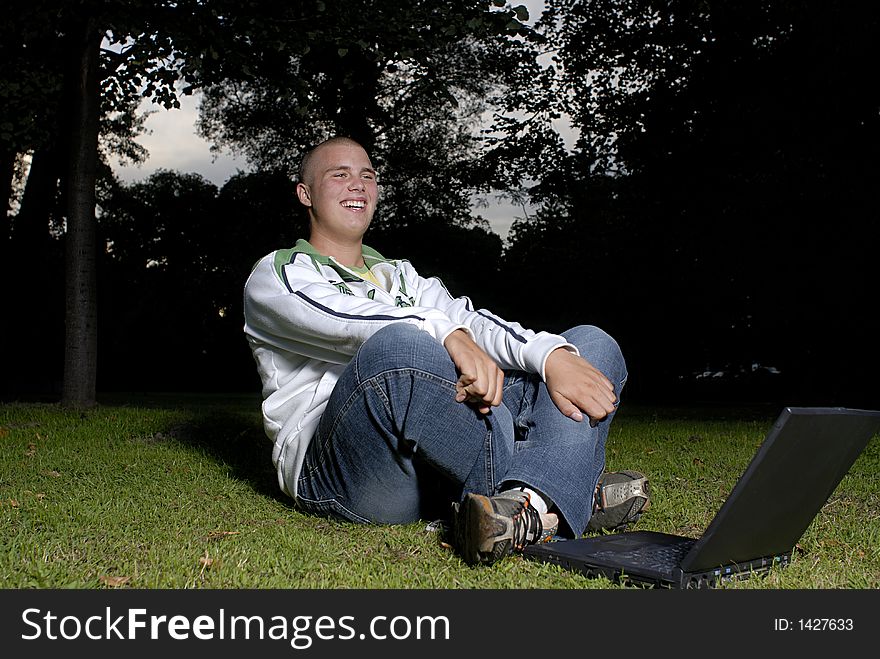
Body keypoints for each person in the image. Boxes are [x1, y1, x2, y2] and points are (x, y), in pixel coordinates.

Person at [243, 136, 650, 566]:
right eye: (339, 175)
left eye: (367, 175)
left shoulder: (401, 275)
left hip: (436, 459)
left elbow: (474, 321)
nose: (357, 185)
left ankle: (528, 506)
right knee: (400, 348)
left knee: (586, 345)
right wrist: (450, 336)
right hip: (345, 468)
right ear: (306, 193)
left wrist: (550, 356)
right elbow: (351, 322)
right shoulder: (278, 273)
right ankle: (568, 489)